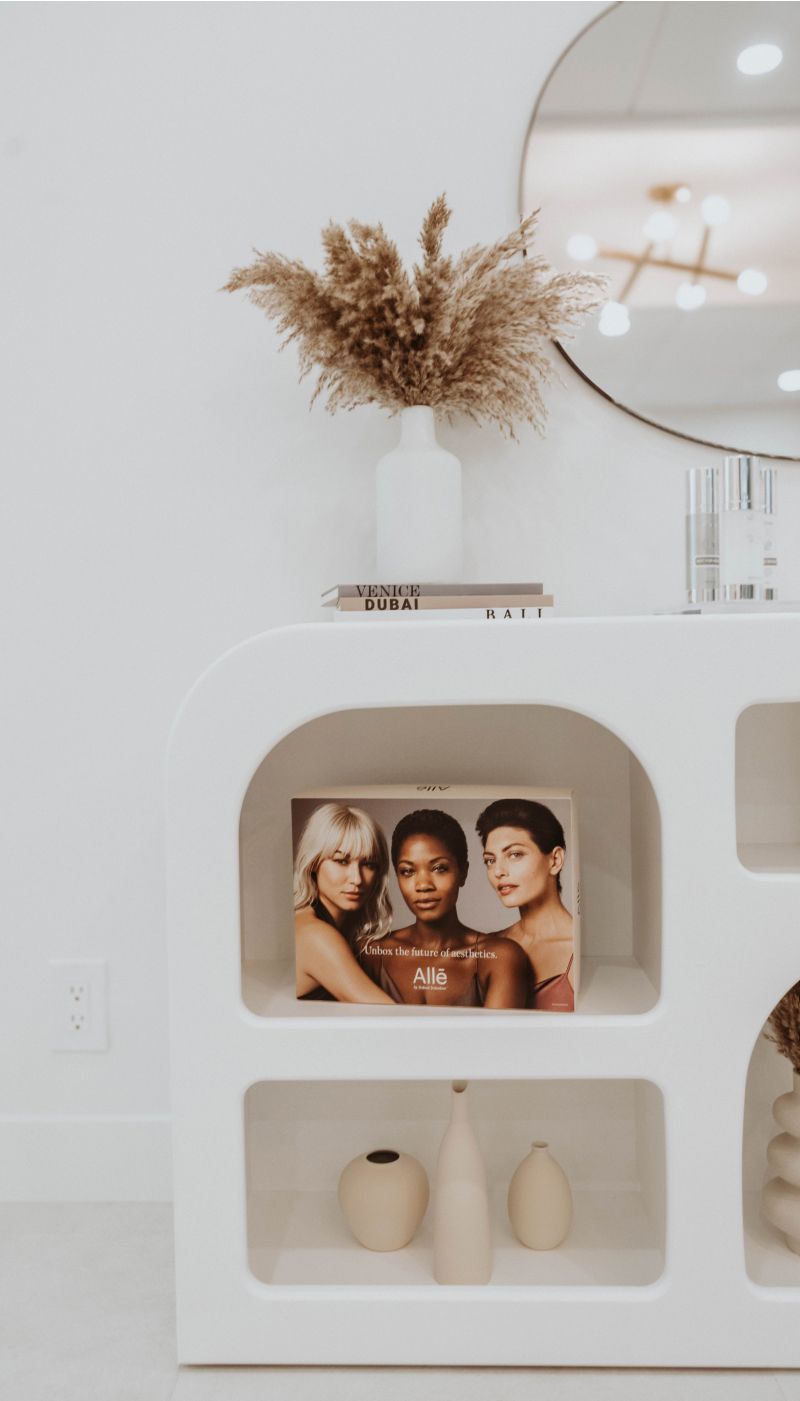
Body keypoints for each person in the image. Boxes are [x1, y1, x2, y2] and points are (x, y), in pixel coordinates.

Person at [360, 809, 529, 1008]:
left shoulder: (500, 957)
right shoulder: (371, 952)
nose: (423, 885)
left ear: (463, 872)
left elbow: (495, 1039)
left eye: (439, 868)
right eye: (407, 871)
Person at [476, 798, 575, 1012]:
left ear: (555, 860)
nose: (498, 871)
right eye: (490, 860)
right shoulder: (489, 945)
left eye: (514, 855)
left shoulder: (579, 950)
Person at [293, 802, 394, 1003]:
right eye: (341, 861)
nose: (356, 879)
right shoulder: (315, 935)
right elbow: (388, 1014)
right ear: (313, 864)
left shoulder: (340, 929)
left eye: (368, 864)